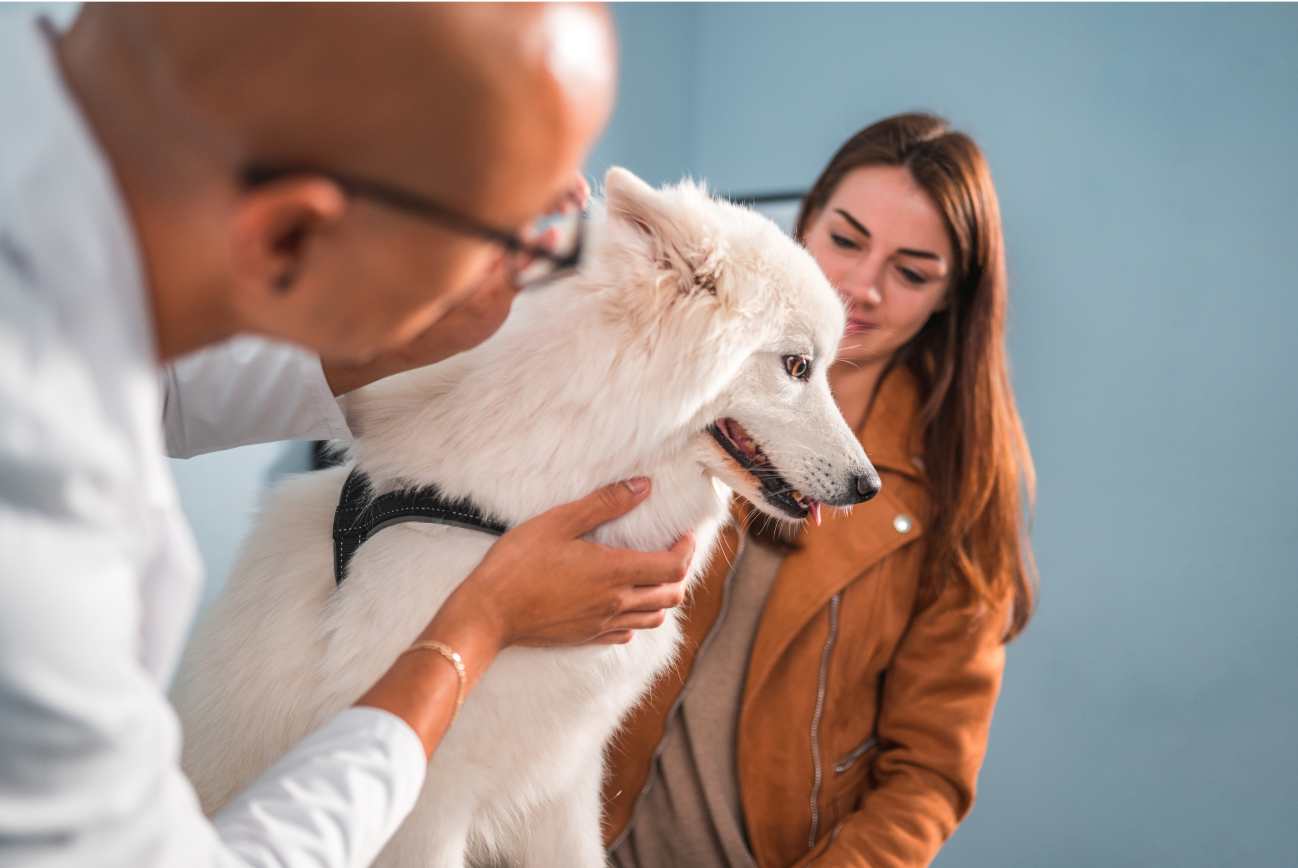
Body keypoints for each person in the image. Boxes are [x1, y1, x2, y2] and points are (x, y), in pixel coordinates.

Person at [0, 3, 695, 866]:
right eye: (523, 239)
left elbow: (161, 387)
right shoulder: (28, 536)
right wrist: (477, 623)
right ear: (293, 234)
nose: (534, 269)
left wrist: (402, 332)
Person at [604, 113, 1037, 868]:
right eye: (844, 239)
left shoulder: (962, 491)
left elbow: (929, 774)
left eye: (911, 271)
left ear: (951, 297)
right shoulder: (668, 383)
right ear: (804, 223)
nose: (862, 287)